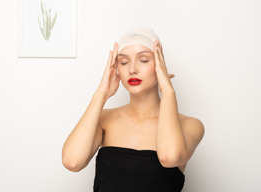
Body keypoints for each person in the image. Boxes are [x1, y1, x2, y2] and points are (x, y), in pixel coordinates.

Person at [62, 26, 205, 192]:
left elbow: (169, 157)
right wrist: (101, 94)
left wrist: (167, 90)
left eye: (144, 60)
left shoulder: (190, 125)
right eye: (123, 62)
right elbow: (72, 161)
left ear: (160, 65)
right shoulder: (104, 119)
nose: (132, 69)